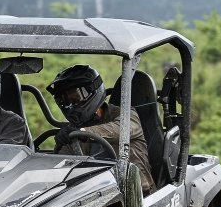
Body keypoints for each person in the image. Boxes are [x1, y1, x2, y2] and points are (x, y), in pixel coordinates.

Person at [46, 65, 155, 195]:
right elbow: (60, 172)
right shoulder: (73, 132)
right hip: (95, 196)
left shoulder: (127, 116)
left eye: (75, 98)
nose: (69, 105)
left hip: (139, 195)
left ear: (93, 92)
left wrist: (83, 132)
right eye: (63, 101)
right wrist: (61, 144)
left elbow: (120, 130)